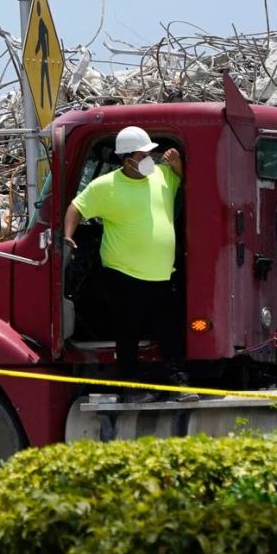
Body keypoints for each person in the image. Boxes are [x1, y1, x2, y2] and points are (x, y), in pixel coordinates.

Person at [63, 126, 189, 394]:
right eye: (142, 155)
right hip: (124, 274)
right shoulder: (105, 186)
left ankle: (178, 380)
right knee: (127, 332)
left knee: (168, 330)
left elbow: (187, 180)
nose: (148, 159)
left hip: (161, 274)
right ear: (127, 158)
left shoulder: (163, 176)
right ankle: (130, 386)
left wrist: (177, 164)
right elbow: (77, 207)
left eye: (149, 154)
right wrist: (68, 237)